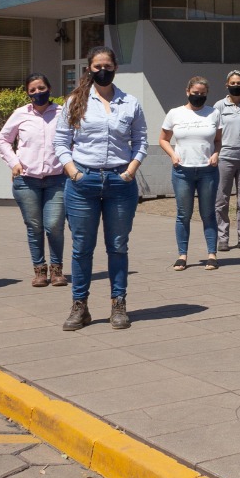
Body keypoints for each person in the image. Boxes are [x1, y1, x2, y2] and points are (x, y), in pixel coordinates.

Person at [54, 46, 148, 330]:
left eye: (107, 65)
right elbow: (60, 141)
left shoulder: (130, 103)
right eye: (97, 67)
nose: (102, 71)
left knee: (118, 246)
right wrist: (73, 172)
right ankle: (79, 306)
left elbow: (140, 140)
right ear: (89, 69)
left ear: (115, 68)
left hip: (120, 183)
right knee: (82, 247)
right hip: (84, 182)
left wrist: (131, 170)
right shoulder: (75, 102)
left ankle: (118, 304)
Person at [0, 73, 68, 288]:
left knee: (54, 225)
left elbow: (74, 138)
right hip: (27, 181)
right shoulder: (20, 114)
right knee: (34, 226)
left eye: (41, 88)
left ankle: (57, 270)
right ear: (28, 93)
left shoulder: (62, 112)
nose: (38, 92)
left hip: (57, 179)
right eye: (33, 90)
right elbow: (3, 139)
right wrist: (14, 162)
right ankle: (39, 270)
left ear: (49, 88)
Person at [160, 77, 222, 271]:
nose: (199, 96)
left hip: (207, 171)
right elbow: (163, 139)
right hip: (182, 171)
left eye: (202, 93)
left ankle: (212, 254)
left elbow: (219, 140)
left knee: (208, 213)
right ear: (187, 91)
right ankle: (182, 255)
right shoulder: (175, 113)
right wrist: (172, 154)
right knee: (183, 214)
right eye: (195, 93)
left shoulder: (214, 113)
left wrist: (216, 154)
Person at [213, 70, 240, 253]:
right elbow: (214, 131)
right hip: (225, 158)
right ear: (227, 85)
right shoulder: (219, 106)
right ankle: (223, 238)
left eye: (239, 82)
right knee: (221, 200)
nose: (236, 85)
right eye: (232, 82)